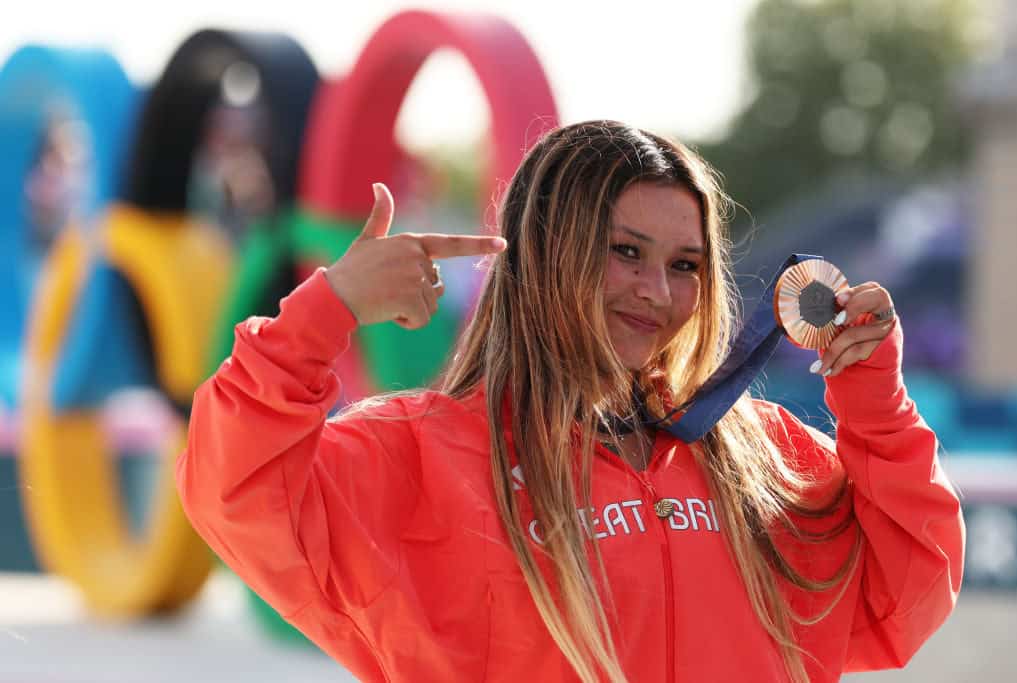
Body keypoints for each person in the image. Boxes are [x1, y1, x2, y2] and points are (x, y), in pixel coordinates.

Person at [176, 121, 964, 683]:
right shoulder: (418, 457)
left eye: (685, 264)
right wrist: (329, 308)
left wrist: (875, 404)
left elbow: (907, 596)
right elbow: (233, 488)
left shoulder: (758, 455)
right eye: (625, 252)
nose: (657, 292)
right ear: (549, 249)